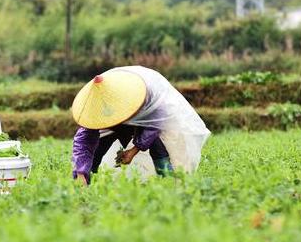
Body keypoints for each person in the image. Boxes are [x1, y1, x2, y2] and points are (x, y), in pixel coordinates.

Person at [71, 66, 211, 185]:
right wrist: (81, 172)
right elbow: (84, 140)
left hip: (150, 121)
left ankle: (168, 183)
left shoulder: (144, 96)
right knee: (97, 146)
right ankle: (86, 184)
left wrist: (133, 151)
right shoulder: (96, 106)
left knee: (159, 146)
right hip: (114, 121)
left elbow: (154, 125)